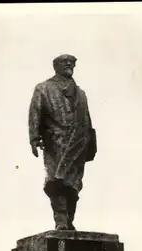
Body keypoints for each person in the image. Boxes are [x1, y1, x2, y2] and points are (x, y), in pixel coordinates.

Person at [28, 54, 96, 230]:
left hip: (78, 144)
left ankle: (69, 219)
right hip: (55, 142)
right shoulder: (43, 88)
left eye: (72, 62)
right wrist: (34, 137)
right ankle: (60, 219)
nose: (69, 64)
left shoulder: (81, 94)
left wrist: (90, 144)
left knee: (73, 185)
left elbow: (87, 120)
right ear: (55, 66)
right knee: (56, 181)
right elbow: (35, 112)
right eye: (64, 62)